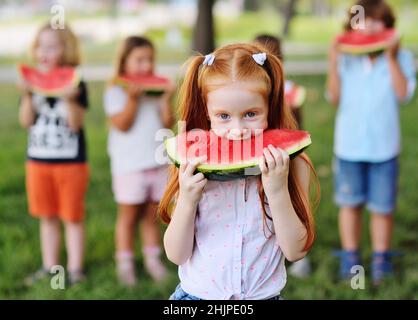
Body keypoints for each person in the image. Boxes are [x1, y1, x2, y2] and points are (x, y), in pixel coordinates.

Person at [160, 43, 319, 300]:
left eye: (251, 114)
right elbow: (176, 255)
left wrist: (277, 191)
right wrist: (188, 201)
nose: (238, 129)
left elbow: (295, 251)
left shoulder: (292, 164)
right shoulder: (192, 164)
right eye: (223, 116)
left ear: (270, 107)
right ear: (207, 112)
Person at [327, 0, 416, 284]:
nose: (371, 26)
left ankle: (380, 259)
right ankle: (351, 257)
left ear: (389, 27)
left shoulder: (402, 57)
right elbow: (334, 97)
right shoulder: (346, 58)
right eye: (364, 20)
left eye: (379, 21)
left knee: (382, 207)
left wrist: (391, 57)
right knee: (350, 204)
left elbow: (404, 94)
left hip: (384, 148)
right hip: (349, 147)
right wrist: (332, 59)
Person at [20, 23, 89, 286]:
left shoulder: (76, 81)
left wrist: (70, 98)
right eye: (40, 46)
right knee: (46, 217)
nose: (44, 52)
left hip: (71, 163)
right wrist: (27, 96)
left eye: (52, 46)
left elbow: (76, 124)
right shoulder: (31, 81)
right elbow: (26, 121)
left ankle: (75, 269)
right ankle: (50, 266)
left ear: (66, 49)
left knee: (72, 216)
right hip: (38, 162)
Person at [104, 36, 175, 286]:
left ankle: (152, 259)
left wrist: (166, 100)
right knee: (128, 216)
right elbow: (122, 125)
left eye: (149, 60)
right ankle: (125, 263)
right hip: (129, 166)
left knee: (151, 215)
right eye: (139, 60)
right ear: (124, 61)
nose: (146, 66)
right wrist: (133, 100)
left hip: (156, 162)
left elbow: (167, 123)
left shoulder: (155, 92)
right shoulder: (115, 90)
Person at [254, 34, 311, 278]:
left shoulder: (289, 89)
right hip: (260, 157)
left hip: (287, 156)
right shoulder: (250, 87)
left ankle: (301, 258)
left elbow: (298, 127)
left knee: (296, 204)